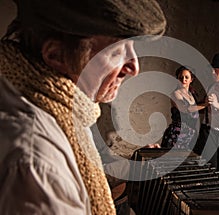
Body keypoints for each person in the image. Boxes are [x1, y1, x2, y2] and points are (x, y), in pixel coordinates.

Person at [0, 0, 166, 214]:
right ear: (56, 55)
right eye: (116, 52)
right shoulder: (36, 159)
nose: (134, 67)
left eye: (132, 47)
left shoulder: (58, 105)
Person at [161, 66, 207, 150]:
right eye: (180, 77)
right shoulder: (175, 94)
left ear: (191, 79)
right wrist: (205, 104)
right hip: (177, 135)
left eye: (186, 77)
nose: (183, 80)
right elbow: (185, 109)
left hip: (191, 136)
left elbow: (196, 111)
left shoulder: (192, 95)